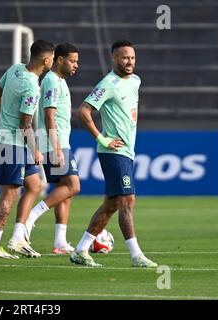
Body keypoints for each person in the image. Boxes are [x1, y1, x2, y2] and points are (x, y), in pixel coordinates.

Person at [72, 40, 158, 267]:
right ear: (114, 58)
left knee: (110, 205)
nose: (129, 62)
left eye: (132, 57)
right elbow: (84, 111)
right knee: (127, 200)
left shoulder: (135, 81)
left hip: (127, 151)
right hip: (114, 152)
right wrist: (102, 138)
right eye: (124, 57)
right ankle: (136, 255)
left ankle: (80, 250)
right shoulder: (108, 83)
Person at [0, 40, 55, 259]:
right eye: (52, 57)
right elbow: (25, 125)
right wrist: (35, 150)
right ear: (46, 60)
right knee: (10, 193)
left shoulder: (14, 69)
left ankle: (17, 239)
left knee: (35, 184)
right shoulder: (32, 86)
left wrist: (4, 115)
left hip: (10, 139)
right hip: (12, 143)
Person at [15, 43, 80, 255]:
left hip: (58, 141)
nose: (75, 65)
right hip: (54, 142)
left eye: (76, 61)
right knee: (73, 186)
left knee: (65, 192)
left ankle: (60, 241)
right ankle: (32, 217)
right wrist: (57, 147)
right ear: (59, 59)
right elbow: (49, 114)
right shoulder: (52, 81)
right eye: (72, 61)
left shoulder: (58, 80)